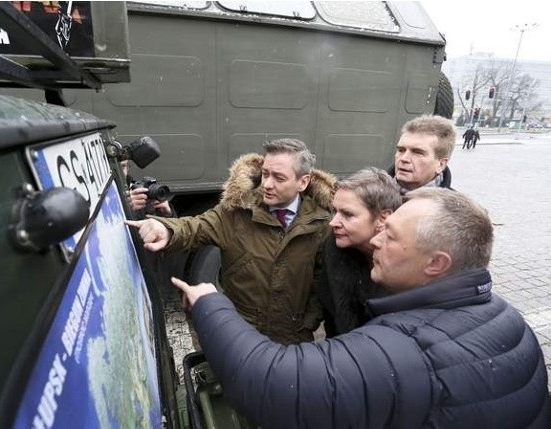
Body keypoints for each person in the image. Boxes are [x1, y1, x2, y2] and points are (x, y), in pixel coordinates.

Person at [172, 188, 550, 428]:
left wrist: (210, 304)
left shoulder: (406, 351)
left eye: (391, 234)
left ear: (437, 263)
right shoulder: (506, 316)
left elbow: (269, 384)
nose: (376, 238)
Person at [126, 138, 335, 344]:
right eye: (265, 174)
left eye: (279, 178)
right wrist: (167, 229)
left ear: (303, 182)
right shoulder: (236, 211)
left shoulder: (323, 224)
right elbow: (196, 226)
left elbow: (324, 281)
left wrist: (308, 321)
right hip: (240, 336)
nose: (267, 184)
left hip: (293, 340)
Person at [315, 167, 402, 336]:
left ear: (383, 218)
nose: (333, 222)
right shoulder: (333, 247)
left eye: (347, 214)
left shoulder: (411, 259)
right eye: (335, 211)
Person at [388, 114, 456, 193]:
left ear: (441, 164)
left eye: (417, 153)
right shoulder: (372, 198)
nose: (404, 158)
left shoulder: (453, 205)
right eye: (401, 150)